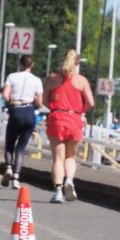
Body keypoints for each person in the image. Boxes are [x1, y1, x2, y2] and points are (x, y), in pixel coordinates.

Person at [44, 50, 94, 203]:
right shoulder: (81, 80)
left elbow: (44, 100)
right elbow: (90, 103)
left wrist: (55, 108)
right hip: (74, 119)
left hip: (57, 118)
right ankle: (69, 180)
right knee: (70, 157)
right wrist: (80, 111)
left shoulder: (52, 79)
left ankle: (58, 191)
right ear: (77, 63)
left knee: (58, 159)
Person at [0, 55, 44, 189]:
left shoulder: (12, 76)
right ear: (32, 65)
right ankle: (16, 178)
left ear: (20, 64)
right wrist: (33, 102)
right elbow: (40, 103)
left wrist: (12, 102)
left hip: (16, 110)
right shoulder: (37, 80)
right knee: (21, 148)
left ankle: (8, 168)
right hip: (29, 112)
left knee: (9, 144)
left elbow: (5, 95)